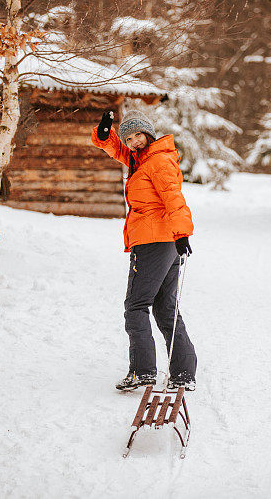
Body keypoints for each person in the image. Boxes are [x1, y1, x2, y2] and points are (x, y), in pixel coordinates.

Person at [91, 109, 197, 391]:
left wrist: (182, 232)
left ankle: (142, 372)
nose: (134, 141)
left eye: (138, 135)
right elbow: (118, 150)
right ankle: (183, 374)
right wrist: (105, 135)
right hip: (165, 241)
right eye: (129, 138)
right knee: (165, 308)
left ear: (148, 133)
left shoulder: (157, 162)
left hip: (154, 241)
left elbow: (173, 197)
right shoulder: (143, 159)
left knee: (136, 306)